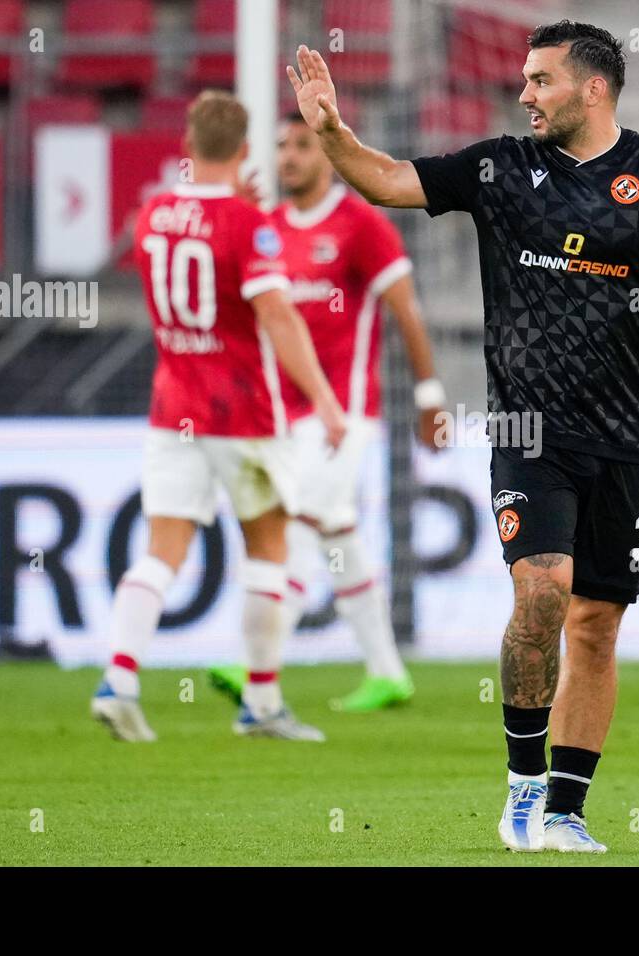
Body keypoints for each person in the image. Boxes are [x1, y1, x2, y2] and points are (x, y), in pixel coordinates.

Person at [288, 20, 639, 852]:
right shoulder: (499, 169)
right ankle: (520, 790)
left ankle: (566, 811)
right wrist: (334, 133)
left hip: (625, 438)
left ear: (593, 88)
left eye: (541, 80)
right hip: (528, 430)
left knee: (596, 625)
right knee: (541, 591)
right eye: (524, 79)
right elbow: (388, 181)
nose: (524, 94)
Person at [92, 90, 347, 743]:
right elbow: (278, 315)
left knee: (162, 551)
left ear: (185, 146)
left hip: (172, 406)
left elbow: (198, 239)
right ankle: (261, 703)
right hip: (242, 413)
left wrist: (243, 208)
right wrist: (321, 396)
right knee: (268, 546)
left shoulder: (152, 214)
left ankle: (119, 678)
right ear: (242, 151)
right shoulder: (249, 224)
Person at [208, 112, 447, 713]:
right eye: (281, 146)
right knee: (338, 534)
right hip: (285, 415)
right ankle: (388, 673)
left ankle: (255, 664)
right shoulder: (270, 228)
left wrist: (429, 397)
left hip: (346, 413)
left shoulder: (359, 224)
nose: (288, 156)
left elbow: (406, 312)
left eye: (301, 146)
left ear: (327, 154)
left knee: (298, 525)